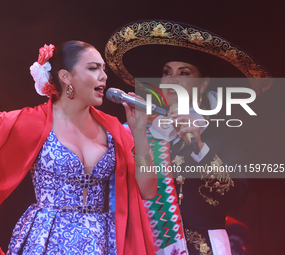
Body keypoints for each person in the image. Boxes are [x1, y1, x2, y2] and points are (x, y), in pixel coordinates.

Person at [0, 41, 157, 255]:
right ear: (66, 77)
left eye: (103, 69)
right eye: (93, 68)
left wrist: (139, 131)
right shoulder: (36, 121)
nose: (104, 76)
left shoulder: (112, 129)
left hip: (100, 240)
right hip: (47, 239)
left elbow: (148, 191)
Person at [105, 20, 271, 255]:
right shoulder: (142, 130)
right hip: (148, 245)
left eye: (184, 73)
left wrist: (200, 146)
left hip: (204, 248)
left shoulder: (223, 131)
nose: (171, 80)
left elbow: (237, 197)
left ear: (203, 85)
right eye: (167, 72)